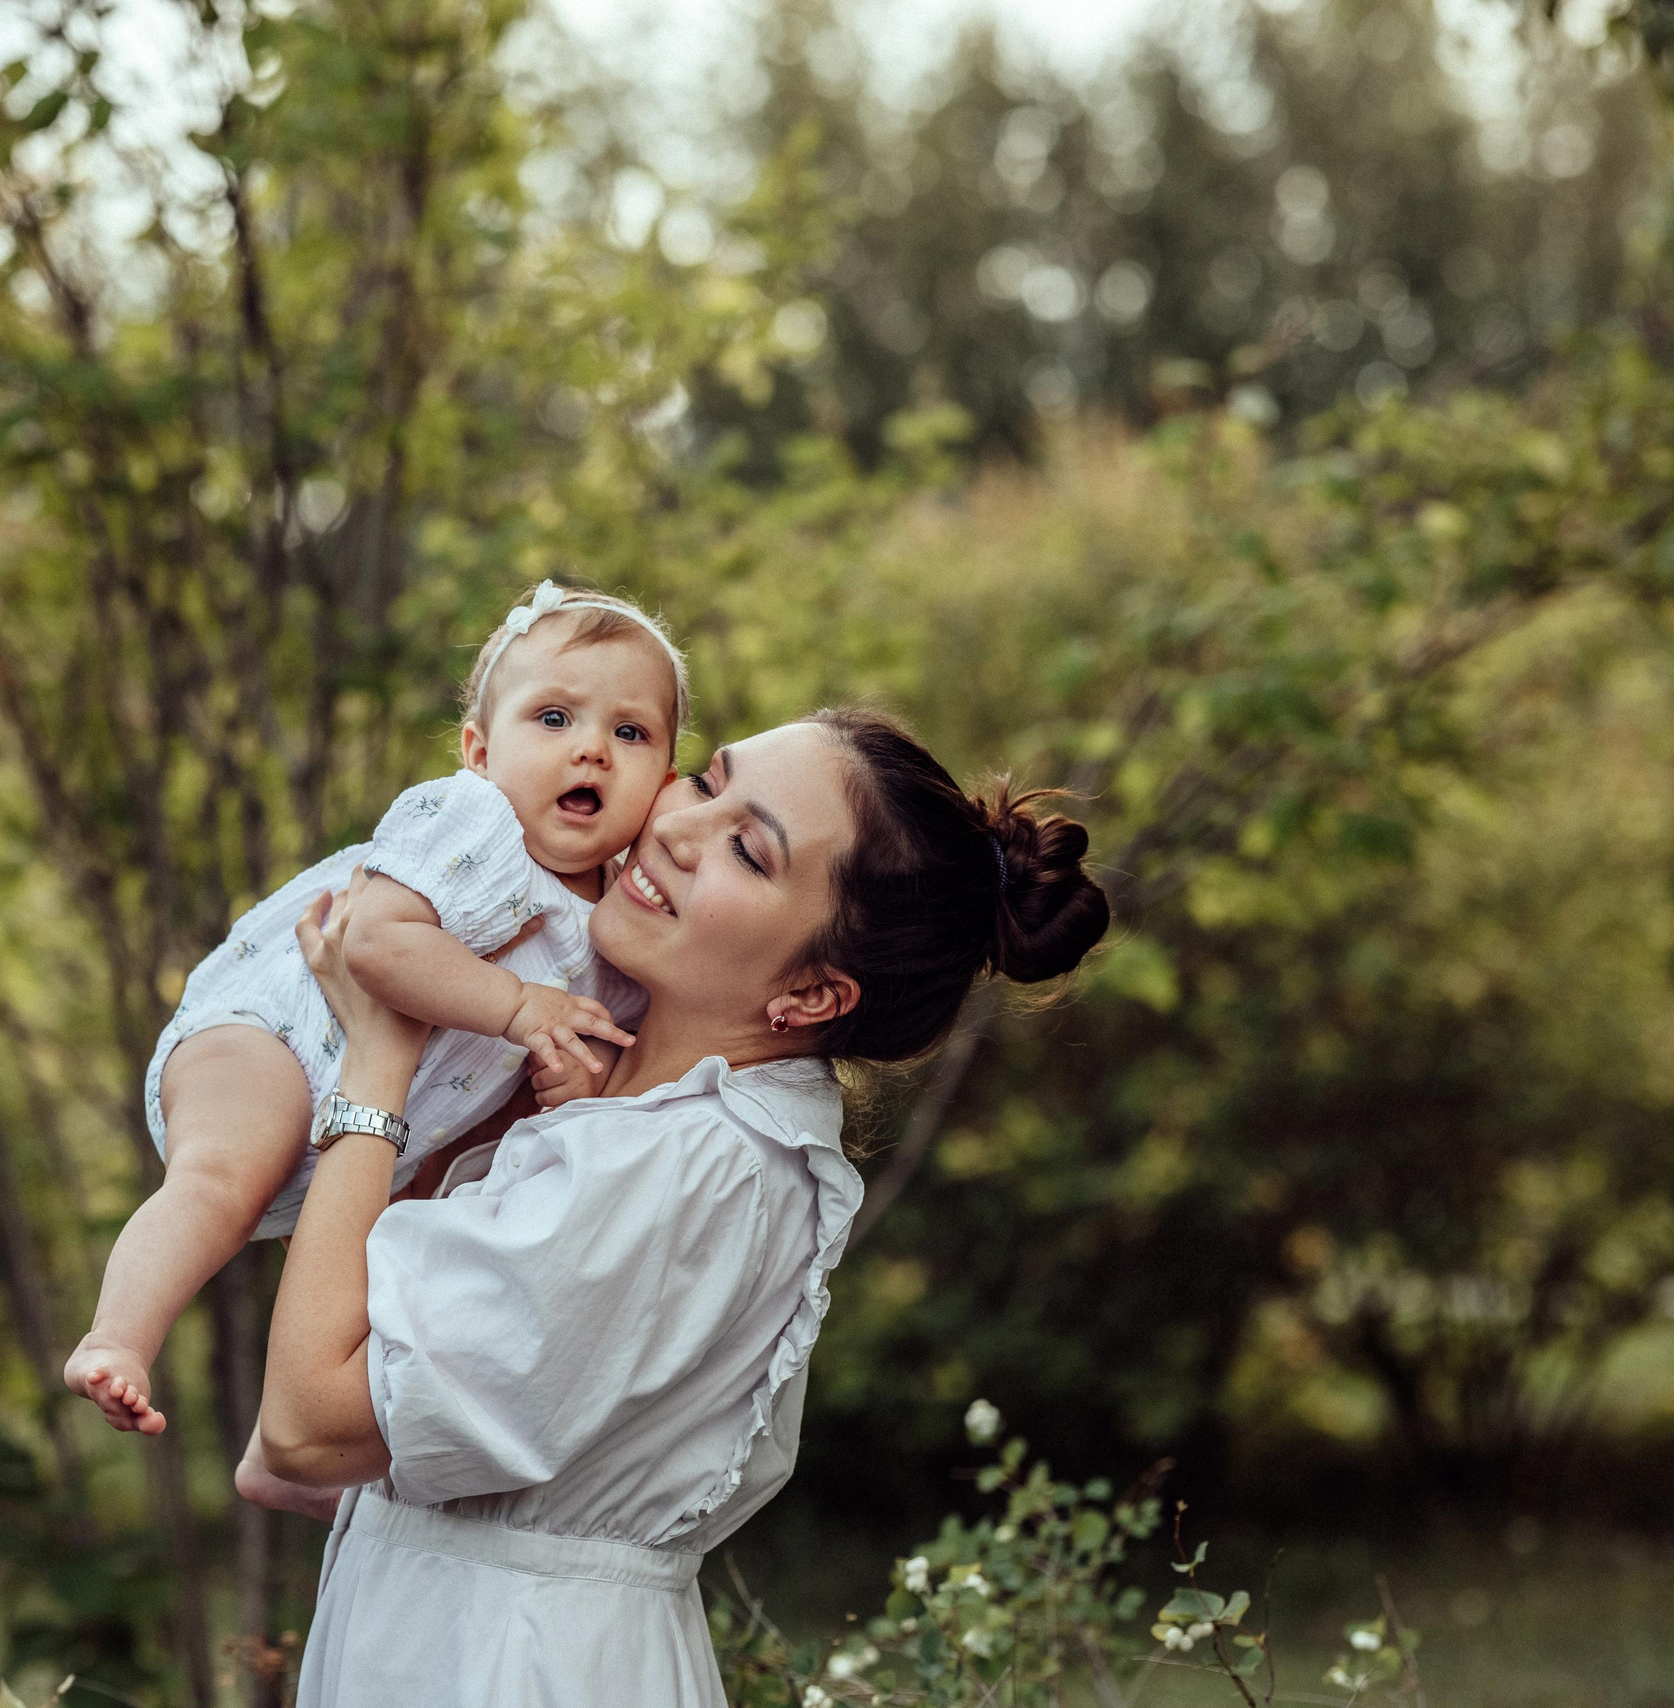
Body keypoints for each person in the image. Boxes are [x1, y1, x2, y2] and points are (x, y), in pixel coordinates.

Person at [254, 707, 1111, 1705]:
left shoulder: (692, 1170)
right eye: (707, 781)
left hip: (505, 1668)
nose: (675, 826)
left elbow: (306, 1426)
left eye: (748, 851)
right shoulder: (638, 1116)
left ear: (811, 992)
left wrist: (379, 1060)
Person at [66, 582, 693, 1438]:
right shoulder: (473, 825)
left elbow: (568, 1071)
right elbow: (374, 944)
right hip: (269, 1037)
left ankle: (292, 1458)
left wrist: (571, 1078)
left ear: (663, 775)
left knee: (397, 1264)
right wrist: (518, 1007)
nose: (591, 751)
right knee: (220, 1179)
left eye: (630, 732)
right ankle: (120, 1338)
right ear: (478, 749)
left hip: (384, 1128)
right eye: (554, 719)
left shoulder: (617, 937)